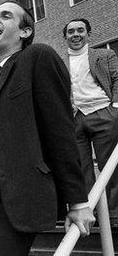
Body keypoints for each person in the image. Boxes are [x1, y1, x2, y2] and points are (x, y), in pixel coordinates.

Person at [0, 1, 95, 255]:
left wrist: (77, 201)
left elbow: (60, 132)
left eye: (6, 16)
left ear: (25, 32)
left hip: (12, 202)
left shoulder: (38, 58)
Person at [63, 18, 118, 227]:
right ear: (65, 37)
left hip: (103, 112)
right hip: (74, 119)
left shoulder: (104, 54)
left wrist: (115, 108)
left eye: (80, 30)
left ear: (88, 34)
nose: (75, 34)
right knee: (79, 169)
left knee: (109, 167)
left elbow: (117, 78)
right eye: (71, 31)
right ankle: (88, 214)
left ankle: (114, 216)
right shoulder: (60, 62)